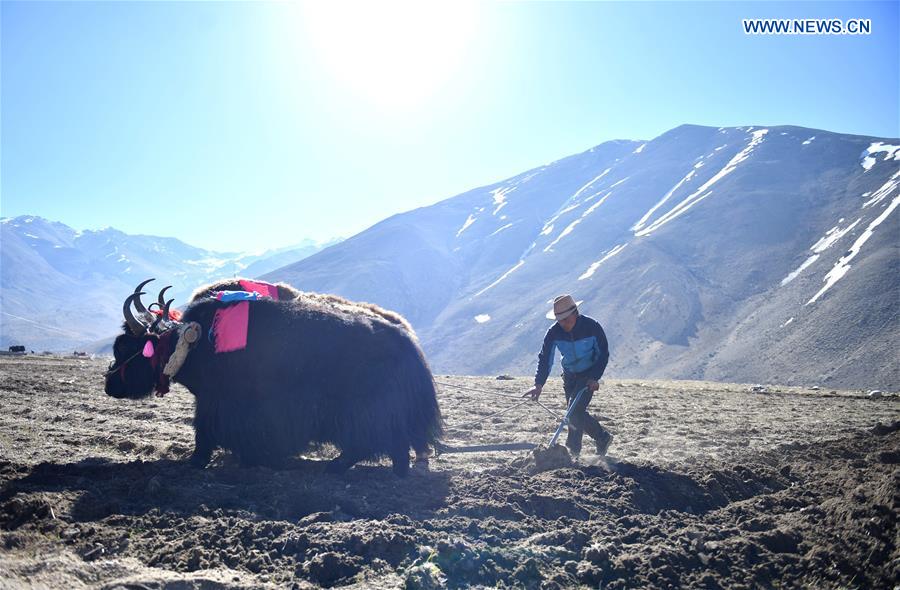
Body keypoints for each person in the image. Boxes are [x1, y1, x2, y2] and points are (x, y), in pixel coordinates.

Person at [523, 294, 613, 456]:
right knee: (574, 413)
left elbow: (603, 355)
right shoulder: (553, 333)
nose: (563, 324)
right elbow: (545, 359)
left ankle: (572, 453)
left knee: (574, 412)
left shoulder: (592, 327)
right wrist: (538, 384)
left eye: (566, 319)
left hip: (588, 375)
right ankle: (602, 437)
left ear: (575, 313)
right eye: (559, 320)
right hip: (570, 376)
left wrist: (595, 377)